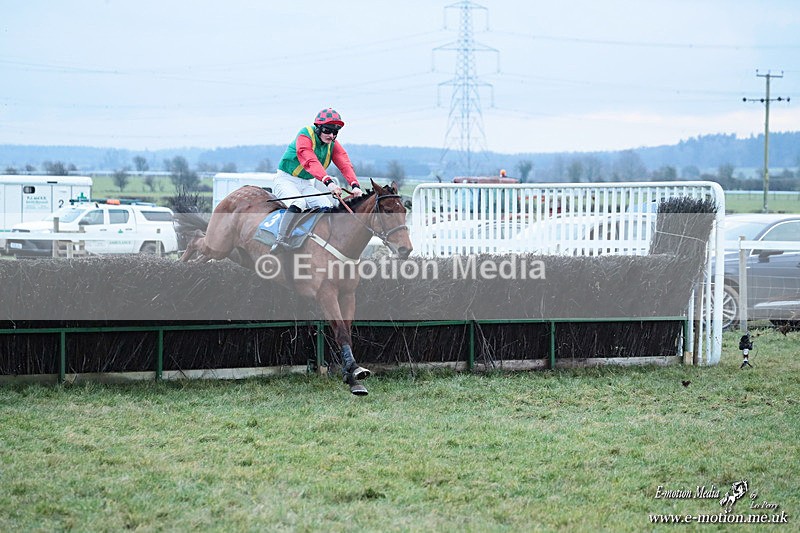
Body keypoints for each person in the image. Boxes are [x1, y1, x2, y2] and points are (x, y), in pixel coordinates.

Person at [271, 108, 364, 252]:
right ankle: (280, 241)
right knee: (299, 202)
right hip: (285, 180)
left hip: (306, 184)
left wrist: (355, 185)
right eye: (327, 130)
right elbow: (310, 161)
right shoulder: (305, 134)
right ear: (318, 128)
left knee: (327, 207)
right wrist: (329, 182)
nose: (331, 135)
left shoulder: (332, 143)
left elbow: (345, 164)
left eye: (335, 132)